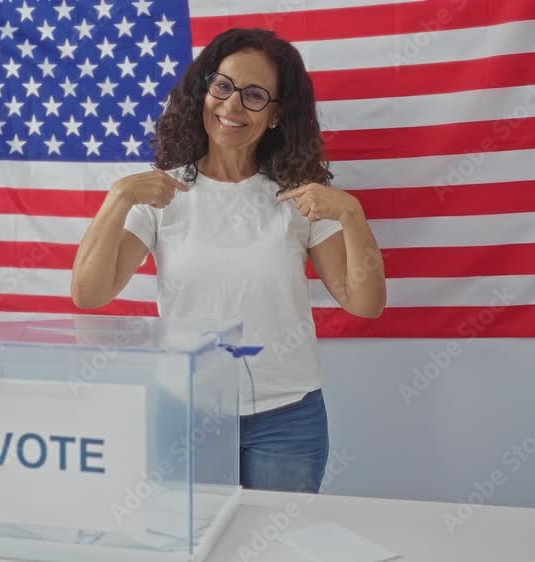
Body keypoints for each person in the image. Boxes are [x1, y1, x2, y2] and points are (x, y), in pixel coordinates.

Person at [71, 28, 386, 494]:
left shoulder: (300, 197)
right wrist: (118, 199)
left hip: (288, 418)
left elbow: (365, 303)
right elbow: (89, 293)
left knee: (275, 546)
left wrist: (352, 214)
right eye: (223, 86)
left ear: (277, 115)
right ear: (204, 90)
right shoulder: (162, 192)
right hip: (186, 412)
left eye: (254, 95)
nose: (232, 105)